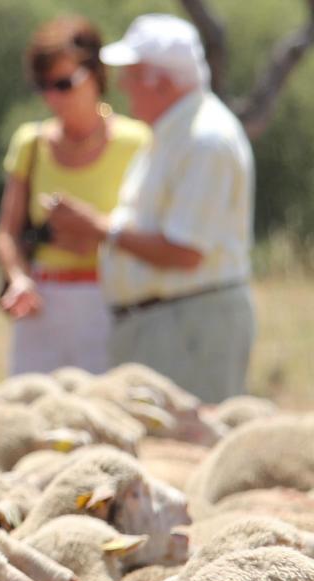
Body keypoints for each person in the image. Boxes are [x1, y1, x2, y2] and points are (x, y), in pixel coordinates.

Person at [46, 14, 255, 404]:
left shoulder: (204, 140)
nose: (123, 86)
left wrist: (99, 229)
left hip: (187, 326)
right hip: (172, 323)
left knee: (185, 456)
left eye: (132, 74)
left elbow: (186, 251)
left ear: (160, 81)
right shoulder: (177, 134)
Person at [0, 16, 149, 376]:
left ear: (96, 74)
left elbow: (152, 230)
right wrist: (18, 278)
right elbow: (7, 232)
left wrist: (93, 230)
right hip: (42, 305)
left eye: (64, 84)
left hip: (111, 302)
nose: (53, 97)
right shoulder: (30, 143)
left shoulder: (137, 142)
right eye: (43, 86)